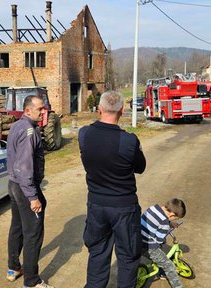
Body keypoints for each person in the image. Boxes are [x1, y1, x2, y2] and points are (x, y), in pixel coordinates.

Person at [79, 90, 146, 288]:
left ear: (99, 109)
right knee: (128, 257)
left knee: (98, 253)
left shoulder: (84, 134)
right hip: (123, 207)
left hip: (97, 205)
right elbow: (140, 167)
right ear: (123, 111)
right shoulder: (129, 141)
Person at [6, 95, 53, 288]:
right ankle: (32, 281)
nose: (44, 112)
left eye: (44, 109)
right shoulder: (28, 132)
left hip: (14, 184)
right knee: (33, 233)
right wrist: (33, 197)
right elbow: (24, 167)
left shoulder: (17, 125)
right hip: (24, 187)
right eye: (40, 109)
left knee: (17, 226)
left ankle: (14, 268)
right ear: (27, 111)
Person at [141, 198, 186, 288]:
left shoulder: (152, 208)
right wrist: (167, 228)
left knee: (161, 257)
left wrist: (170, 222)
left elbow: (157, 220)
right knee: (169, 266)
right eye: (175, 218)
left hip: (138, 239)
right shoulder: (164, 223)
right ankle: (178, 286)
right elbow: (159, 240)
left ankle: (161, 273)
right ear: (172, 214)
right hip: (148, 247)